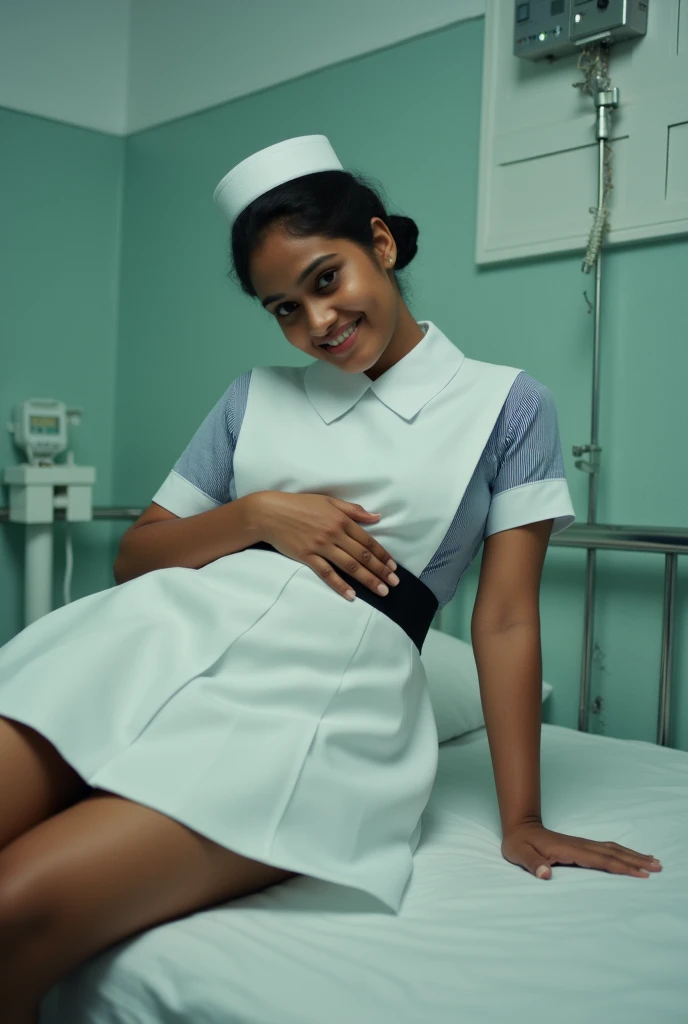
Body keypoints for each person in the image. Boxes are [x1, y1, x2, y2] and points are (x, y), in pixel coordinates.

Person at [0, 135, 662, 1022]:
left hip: (308, 697)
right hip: (143, 646)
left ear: (381, 245)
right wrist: (259, 516)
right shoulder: (251, 398)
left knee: (14, 909)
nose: (316, 323)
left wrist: (523, 818)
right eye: (283, 307)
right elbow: (137, 556)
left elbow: (503, 620)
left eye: (325, 279)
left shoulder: (507, 407)